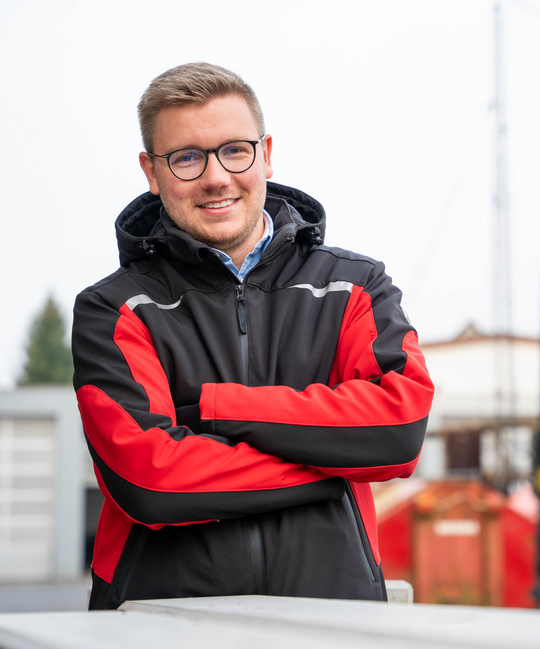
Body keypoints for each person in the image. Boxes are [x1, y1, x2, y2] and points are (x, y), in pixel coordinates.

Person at [71, 62, 434, 610]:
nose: (216, 177)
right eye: (186, 158)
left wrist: (218, 409)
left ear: (265, 153)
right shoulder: (114, 309)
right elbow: (151, 480)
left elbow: (399, 428)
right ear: (151, 171)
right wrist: (329, 470)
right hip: (156, 623)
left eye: (234, 150)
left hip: (333, 619)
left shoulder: (355, 286)